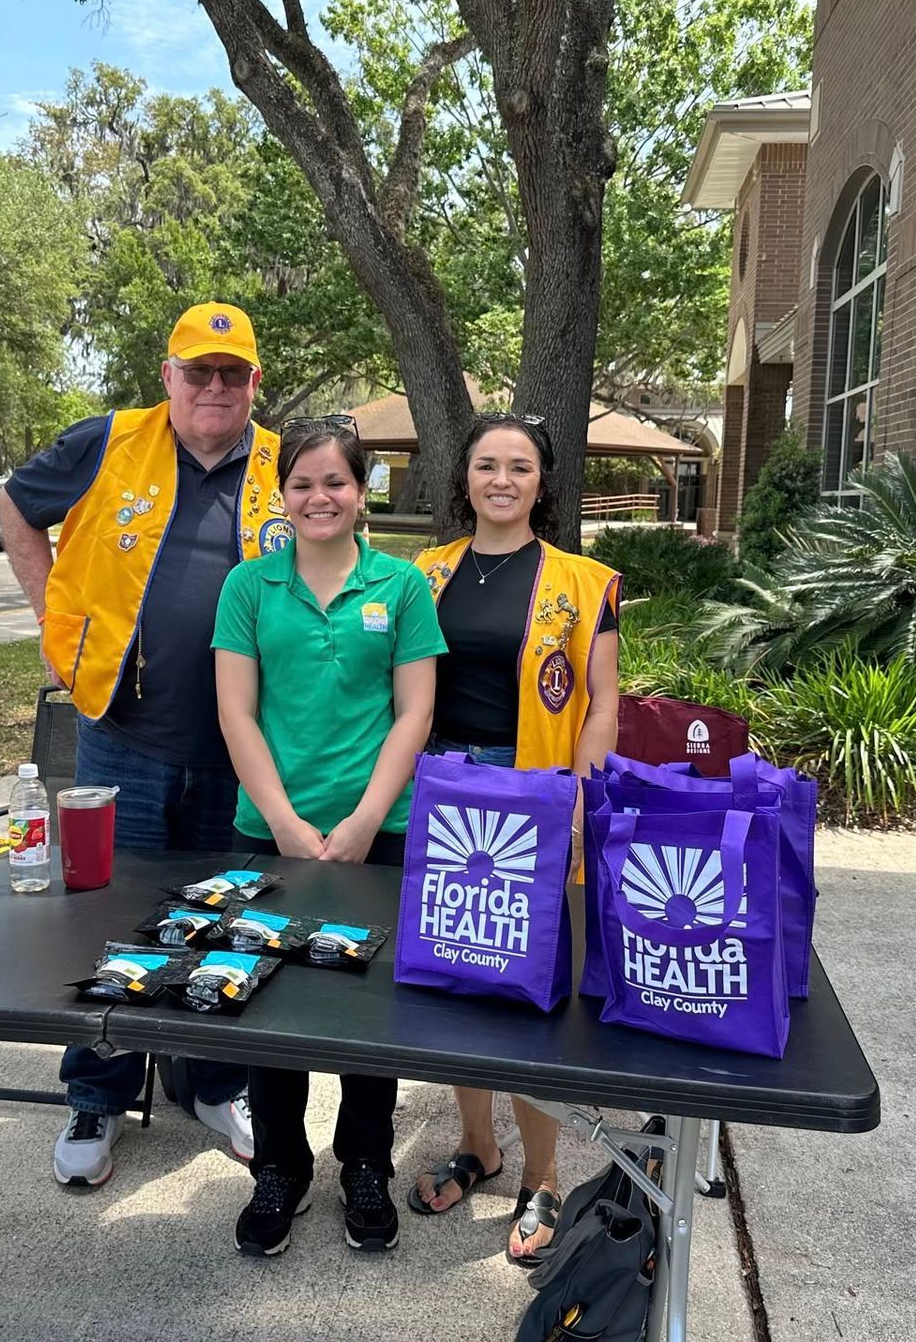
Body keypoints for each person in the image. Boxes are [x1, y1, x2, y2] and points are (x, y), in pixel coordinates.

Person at [0, 301, 284, 1188]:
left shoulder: (284, 466)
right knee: (111, 922)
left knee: (229, 923)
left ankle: (215, 1081)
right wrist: (53, 622)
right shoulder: (106, 441)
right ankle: (98, 1091)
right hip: (124, 735)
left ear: (252, 384)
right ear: (167, 376)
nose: (212, 386)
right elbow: (14, 507)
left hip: (246, 749)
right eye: (196, 370)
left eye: (230, 373)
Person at [210, 417, 445, 1256]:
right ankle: (279, 1168)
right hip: (268, 830)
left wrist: (359, 821)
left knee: (364, 1014)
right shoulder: (249, 588)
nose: (320, 497)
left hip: (377, 832)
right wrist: (283, 820)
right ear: (284, 496)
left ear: (361, 492)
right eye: (303, 483)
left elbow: (415, 711)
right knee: (268, 1008)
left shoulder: (402, 587)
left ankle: (364, 1165)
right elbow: (235, 711)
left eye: (336, 482)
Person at [407, 413, 621, 1264]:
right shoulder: (423, 576)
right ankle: (478, 1146)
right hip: (444, 794)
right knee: (462, 981)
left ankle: (543, 1174)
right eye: (486, 465)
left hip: (535, 796)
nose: (501, 479)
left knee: (530, 996)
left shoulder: (581, 581)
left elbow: (601, 700)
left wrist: (577, 795)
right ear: (464, 478)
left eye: (519, 467)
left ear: (542, 483)